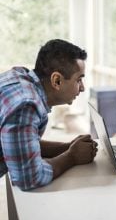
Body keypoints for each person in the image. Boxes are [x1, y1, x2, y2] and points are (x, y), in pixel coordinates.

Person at [0, 39, 98, 190]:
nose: (83, 88)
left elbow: (24, 144)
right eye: (78, 80)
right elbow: (28, 178)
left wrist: (68, 147)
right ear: (57, 80)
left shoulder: (19, 77)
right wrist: (71, 157)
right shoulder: (25, 105)